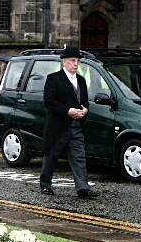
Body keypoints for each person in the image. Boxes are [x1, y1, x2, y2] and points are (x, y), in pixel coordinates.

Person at [40, 47, 99, 199]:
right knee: (51, 156)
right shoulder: (54, 78)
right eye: (72, 61)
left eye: (78, 61)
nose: (75, 64)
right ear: (64, 62)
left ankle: (83, 188)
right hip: (58, 126)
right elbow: (49, 101)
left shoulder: (81, 80)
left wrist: (85, 109)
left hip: (76, 126)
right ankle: (45, 185)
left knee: (79, 157)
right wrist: (68, 111)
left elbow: (84, 101)